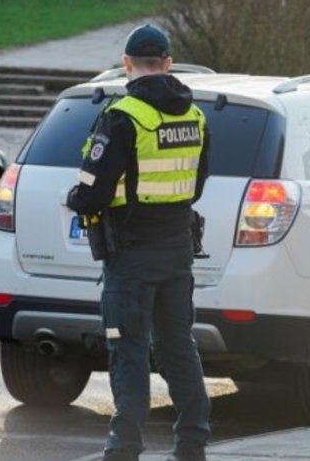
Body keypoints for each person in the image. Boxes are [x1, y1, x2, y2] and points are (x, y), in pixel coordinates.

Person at [66, 24, 212, 461]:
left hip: (130, 254)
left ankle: (124, 447)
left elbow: (91, 191)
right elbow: (197, 184)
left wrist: (76, 199)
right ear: (167, 64)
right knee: (178, 346)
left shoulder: (123, 116)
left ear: (126, 64)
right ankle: (192, 445)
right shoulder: (195, 116)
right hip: (177, 249)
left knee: (127, 348)